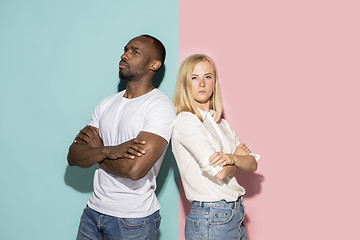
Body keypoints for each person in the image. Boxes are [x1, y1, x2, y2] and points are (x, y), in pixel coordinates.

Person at [67, 34, 176, 240]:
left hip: (132, 220)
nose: (124, 55)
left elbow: (134, 170)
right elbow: (73, 156)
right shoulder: (107, 104)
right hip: (93, 212)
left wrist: (96, 151)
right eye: (125, 49)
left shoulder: (159, 107)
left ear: (154, 64)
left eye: (135, 52)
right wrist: (109, 150)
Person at [171, 54, 260, 240]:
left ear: (214, 82)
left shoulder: (221, 124)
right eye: (194, 78)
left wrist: (233, 158)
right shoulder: (186, 122)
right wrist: (237, 156)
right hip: (211, 217)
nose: (202, 83)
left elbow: (252, 163)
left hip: (235, 213)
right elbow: (219, 172)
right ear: (185, 83)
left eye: (208, 77)